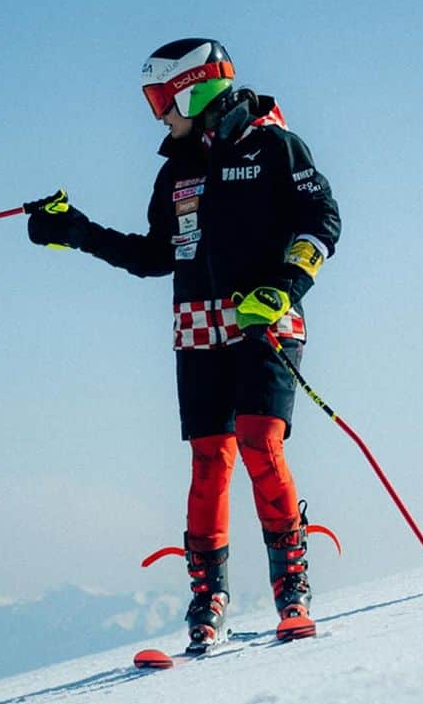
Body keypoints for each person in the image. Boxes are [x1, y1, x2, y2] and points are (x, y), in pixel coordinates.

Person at [26, 38, 341, 650]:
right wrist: (74, 231)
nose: (158, 115)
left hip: (264, 321)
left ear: (196, 88)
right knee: (209, 460)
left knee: (259, 441)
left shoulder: (275, 146)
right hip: (197, 326)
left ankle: (291, 587)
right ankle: (208, 599)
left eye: (161, 99)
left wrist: (285, 286)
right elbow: (154, 256)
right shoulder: (176, 170)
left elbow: (322, 219)